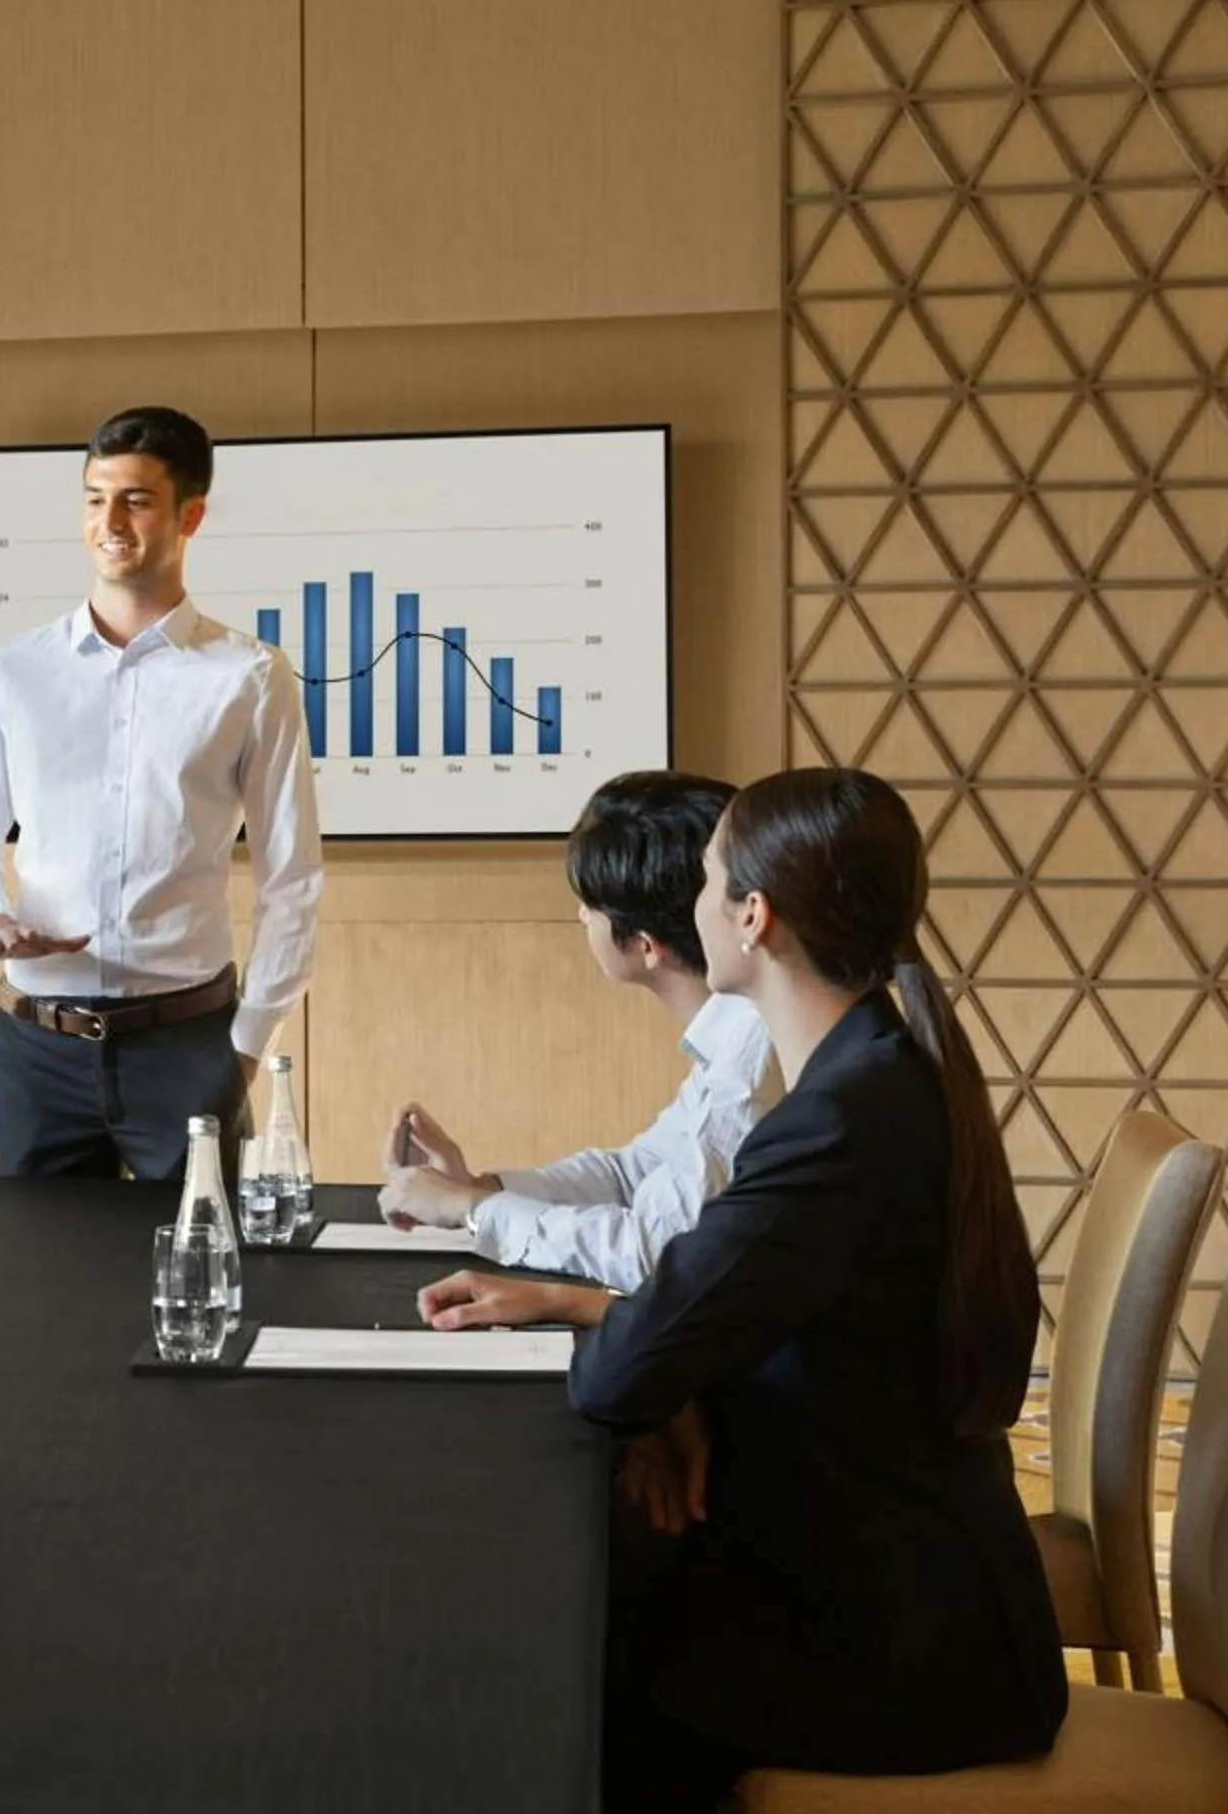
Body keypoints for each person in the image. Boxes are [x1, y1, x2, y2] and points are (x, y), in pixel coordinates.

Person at [412, 768, 1064, 1809]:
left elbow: (623, 1369)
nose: (695, 902)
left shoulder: (838, 1120)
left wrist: (665, 1378)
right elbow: (698, 1322)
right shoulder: (877, 1068)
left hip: (912, 1656)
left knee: (546, 1669)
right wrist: (677, 1377)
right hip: (916, 1588)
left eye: (710, 881)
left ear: (752, 916)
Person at [0, 405, 323, 1179]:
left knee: (202, 1282)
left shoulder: (249, 676)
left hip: (187, 1044)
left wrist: (243, 1050)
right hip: (36, 1048)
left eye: (136, 499)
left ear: (190, 516)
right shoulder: (13, 673)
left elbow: (294, 880)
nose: (109, 520)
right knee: (37, 1289)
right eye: (93, 497)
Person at [375, 771, 777, 1292]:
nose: (580, 914)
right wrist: (478, 1189)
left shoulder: (754, 1050)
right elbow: (635, 1174)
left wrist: (476, 1210)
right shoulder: (733, 1029)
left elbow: (652, 1251)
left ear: (645, 943)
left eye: (590, 903)